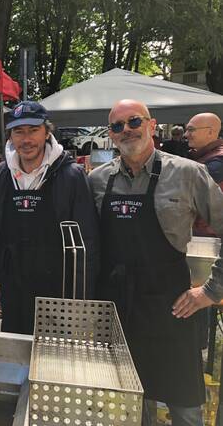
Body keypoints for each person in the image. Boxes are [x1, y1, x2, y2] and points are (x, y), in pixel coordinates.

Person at [88, 99, 223, 425]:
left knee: (185, 406)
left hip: (171, 309)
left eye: (134, 122)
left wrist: (211, 290)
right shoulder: (96, 180)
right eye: (117, 126)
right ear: (110, 135)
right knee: (130, 404)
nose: (126, 131)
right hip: (117, 310)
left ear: (152, 125)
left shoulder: (188, 174)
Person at [0, 101, 100, 335]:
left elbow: (87, 240)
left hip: (59, 287)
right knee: (16, 351)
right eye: (19, 131)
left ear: (47, 132)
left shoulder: (71, 175)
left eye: (33, 130)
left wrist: (82, 296)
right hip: (13, 284)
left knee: (55, 358)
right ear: (11, 136)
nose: (26, 139)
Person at [187, 113, 223, 237]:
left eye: (191, 130)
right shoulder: (208, 157)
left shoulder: (217, 161)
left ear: (210, 132)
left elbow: (188, 196)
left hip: (207, 235)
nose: (186, 135)